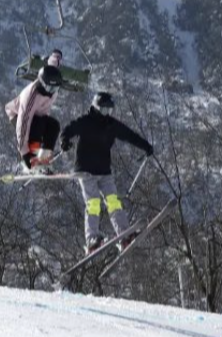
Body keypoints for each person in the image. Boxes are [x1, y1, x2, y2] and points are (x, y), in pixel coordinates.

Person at [60, 92, 154, 254]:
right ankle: (92, 239)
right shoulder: (86, 121)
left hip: (104, 170)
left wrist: (146, 146)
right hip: (85, 170)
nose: (107, 114)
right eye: (104, 111)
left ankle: (125, 235)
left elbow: (130, 135)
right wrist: (65, 141)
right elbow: (68, 130)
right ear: (96, 108)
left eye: (109, 111)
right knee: (94, 202)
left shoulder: (112, 125)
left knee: (113, 201)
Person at [5, 58, 64, 175]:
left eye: (55, 88)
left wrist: (55, 58)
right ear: (41, 83)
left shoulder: (52, 89)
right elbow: (23, 124)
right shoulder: (31, 96)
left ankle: (43, 158)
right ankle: (32, 160)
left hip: (38, 115)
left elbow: (52, 68)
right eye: (49, 88)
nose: (52, 92)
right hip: (17, 115)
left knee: (54, 125)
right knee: (37, 125)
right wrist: (25, 153)